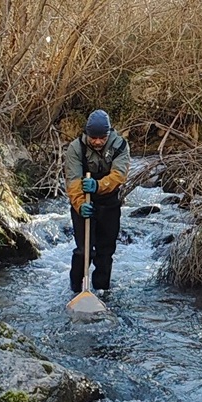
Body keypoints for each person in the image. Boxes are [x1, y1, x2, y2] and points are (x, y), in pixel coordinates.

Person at [64, 109, 131, 293]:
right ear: (87, 134)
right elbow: (73, 181)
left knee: (105, 251)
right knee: (83, 250)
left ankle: (102, 291)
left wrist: (98, 186)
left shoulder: (120, 146)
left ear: (108, 134)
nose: (98, 142)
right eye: (94, 137)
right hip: (85, 203)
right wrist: (79, 204)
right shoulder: (76, 148)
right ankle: (76, 290)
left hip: (109, 203)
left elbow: (119, 175)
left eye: (102, 137)